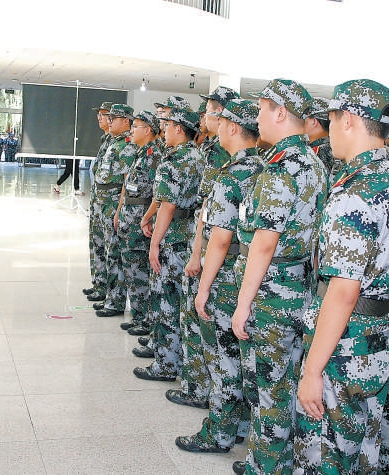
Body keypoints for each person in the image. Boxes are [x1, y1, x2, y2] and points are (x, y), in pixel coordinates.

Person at [293, 79, 389, 474]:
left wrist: (313, 371)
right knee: (366, 446)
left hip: (346, 347)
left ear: (349, 120)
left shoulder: (356, 192)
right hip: (383, 336)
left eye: (331, 120)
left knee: (324, 454)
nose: (329, 128)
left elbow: (343, 292)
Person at [231, 78, 327, 474]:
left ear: (280, 112)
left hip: (271, 293)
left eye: (260, 110)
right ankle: (280, 460)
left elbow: (264, 244)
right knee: (285, 381)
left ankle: (266, 465)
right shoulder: (316, 164)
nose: (257, 118)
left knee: (268, 385)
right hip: (299, 288)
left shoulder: (280, 169)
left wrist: (242, 303)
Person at [176, 99, 261, 454]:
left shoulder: (234, 174)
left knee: (223, 358)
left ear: (232, 127)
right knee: (240, 357)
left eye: (221, 120)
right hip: (251, 278)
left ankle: (220, 433)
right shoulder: (264, 169)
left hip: (225, 278)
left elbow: (220, 237)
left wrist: (203, 289)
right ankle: (239, 425)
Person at [170, 86, 237, 411]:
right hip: (204, 242)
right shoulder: (211, 148)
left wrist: (197, 253)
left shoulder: (227, 155)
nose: (204, 117)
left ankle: (199, 389)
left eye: (210, 111)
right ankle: (198, 384)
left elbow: (215, 214)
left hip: (215, 253)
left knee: (203, 324)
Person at [133, 106, 203, 382]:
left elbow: (168, 206)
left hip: (172, 238)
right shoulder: (197, 157)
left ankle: (165, 364)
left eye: (169, 125)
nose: (164, 129)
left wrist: (154, 245)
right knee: (180, 304)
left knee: (165, 302)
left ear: (179, 129)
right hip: (188, 237)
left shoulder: (173, 161)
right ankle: (178, 360)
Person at [113, 111, 162, 363]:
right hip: (130, 214)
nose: (132, 130)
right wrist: (120, 211)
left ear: (150, 130)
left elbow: (158, 194)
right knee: (132, 268)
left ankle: (145, 318)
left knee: (140, 270)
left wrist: (148, 217)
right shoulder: (140, 153)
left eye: (138, 126)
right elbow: (128, 185)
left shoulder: (155, 156)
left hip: (141, 217)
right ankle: (140, 316)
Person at [91, 104, 138, 317]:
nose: (110, 121)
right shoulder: (114, 142)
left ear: (126, 121)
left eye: (115, 118)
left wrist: (118, 209)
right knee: (104, 248)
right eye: (109, 118)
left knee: (114, 253)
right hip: (102, 201)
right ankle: (107, 292)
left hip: (112, 202)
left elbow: (127, 182)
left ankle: (115, 301)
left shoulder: (128, 145)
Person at [83, 102, 113, 299]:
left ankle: (108, 290)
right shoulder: (106, 140)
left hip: (109, 205)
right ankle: (99, 284)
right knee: (97, 244)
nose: (99, 118)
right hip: (98, 201)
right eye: (99, 115)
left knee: (108, 249)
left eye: (103, 115)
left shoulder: (121, 143)